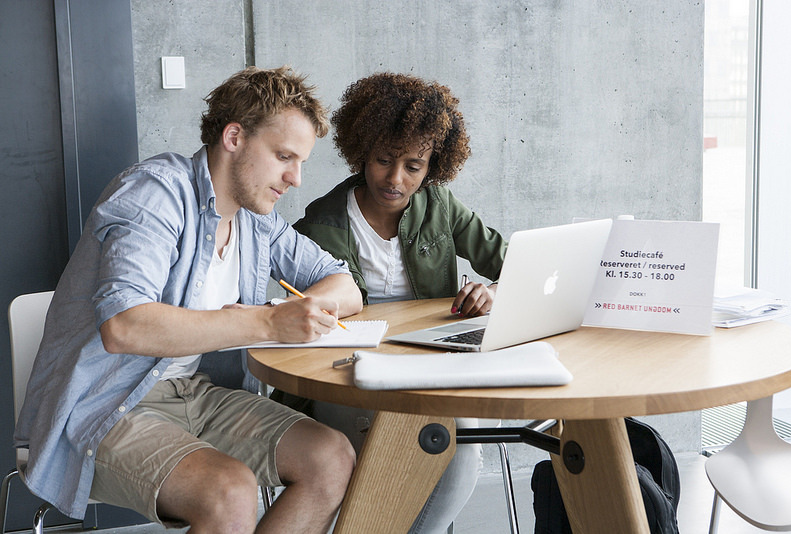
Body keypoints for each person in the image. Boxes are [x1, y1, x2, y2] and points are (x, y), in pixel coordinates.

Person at [13, 66, 363, 534]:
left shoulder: (256, 218)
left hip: (195, 393)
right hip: (107, 404)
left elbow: (344, 284)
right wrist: (266, 323)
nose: (295, 178)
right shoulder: (155, 193)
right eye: (283, 156)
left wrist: (290, 312)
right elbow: (125, 326)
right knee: (229, 493)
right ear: (234, 136)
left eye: (301, 161)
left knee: (332, 457)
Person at [291, 72, 508, 532]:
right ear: (361, 152)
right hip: (350, 368)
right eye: (384, 160)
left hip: (435, 361)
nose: (395, 178)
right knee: (386, 452)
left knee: (461, 446)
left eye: (414, 165)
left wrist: (493, 293)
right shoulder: (322, 224)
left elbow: (509, 264)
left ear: (434, 166)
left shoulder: (441, 206)